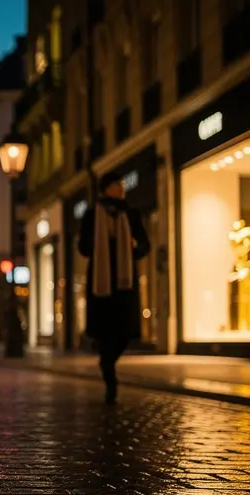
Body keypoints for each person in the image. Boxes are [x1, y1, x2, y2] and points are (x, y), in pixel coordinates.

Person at [78, 171, 150, 404]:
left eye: (121, 184)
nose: (121, 188)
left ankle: (106, 361)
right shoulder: (91, 215)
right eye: (116, 184)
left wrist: (133, 247)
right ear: (106, 188)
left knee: (124, 334)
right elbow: (83, 248)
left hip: (124, 282)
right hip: (101, 283)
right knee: (104, 331)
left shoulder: (130, 214)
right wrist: (97, 242)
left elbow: (145, 246)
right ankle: (110, 379)